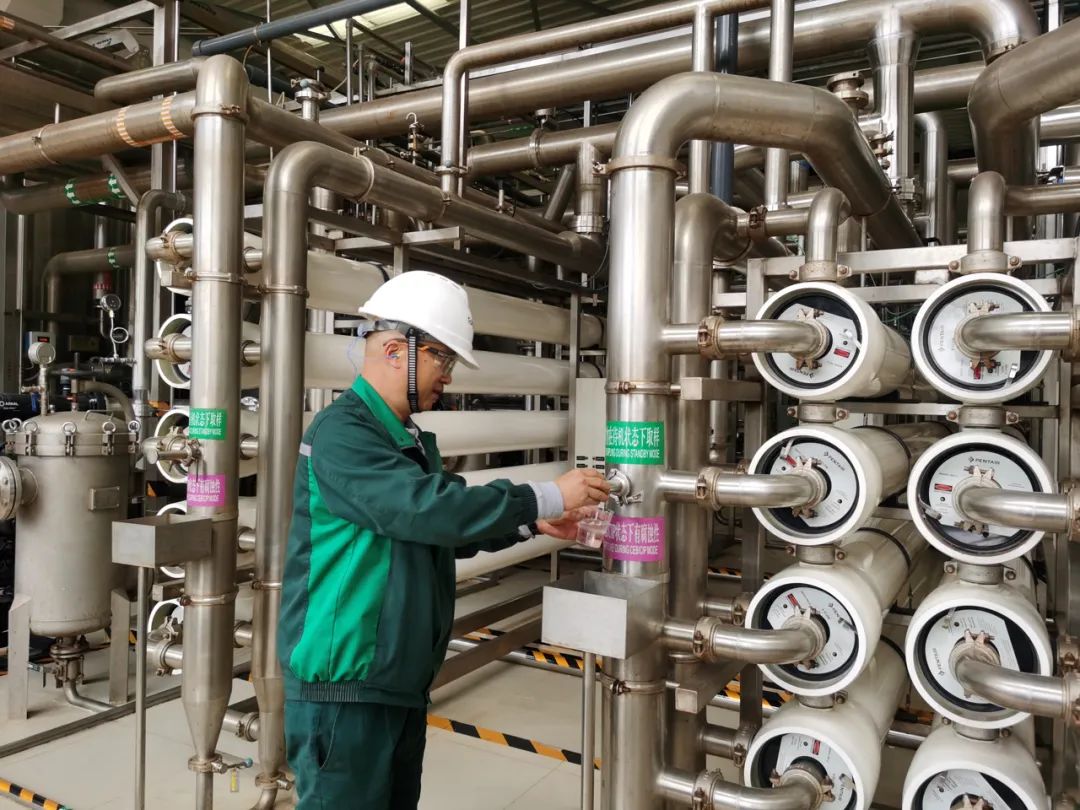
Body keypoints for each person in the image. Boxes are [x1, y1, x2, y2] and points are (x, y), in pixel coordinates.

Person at [278, 271, 610, 809]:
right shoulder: (343, 434)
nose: (449, 377)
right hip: (347, 686)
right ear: (395, 350)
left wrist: (531, 524)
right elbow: (424, 509)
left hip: (395, 679)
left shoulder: (405, 438)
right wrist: (547, 496)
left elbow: (438, 531)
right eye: (443, 358)